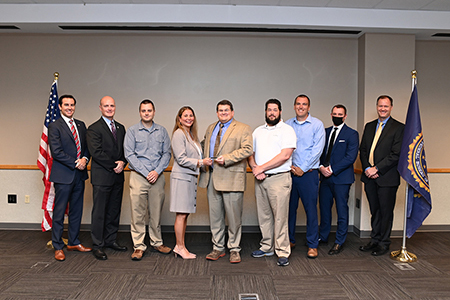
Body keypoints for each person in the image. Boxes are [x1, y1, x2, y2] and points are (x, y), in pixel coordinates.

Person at [199, 100, 253, 264]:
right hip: (212, 178)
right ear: (217, 112)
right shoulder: (211, 128)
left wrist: (227, 158)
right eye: (220, 111)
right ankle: (218, 248)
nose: (223, 113)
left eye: (226, 110)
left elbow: (247, 149)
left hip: (231, 177)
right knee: (215, 217)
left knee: (234, 217)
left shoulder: (243, 128)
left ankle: (235, 249)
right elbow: (204, 145)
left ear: (232, 112)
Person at [248, 99, 296, 267]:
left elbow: (285, 155)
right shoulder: (258, 131)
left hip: (279, 179)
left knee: (280, 218)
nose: (272, 113)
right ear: (265, 111)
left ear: (280, 112)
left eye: (275, 110)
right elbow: (250, 153)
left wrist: (261, 168)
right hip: (260, 179)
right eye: (269, 110)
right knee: (264, 216)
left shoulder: (287, 130)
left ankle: (282, 251)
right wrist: (255, 168)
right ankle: (267, 246)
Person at [124, 99, 172, 261]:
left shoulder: (162, 131)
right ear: (140, 112)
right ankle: (138, 246)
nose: (146, 113)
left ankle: (157, 242)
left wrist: (156, 172)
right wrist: (146, 173)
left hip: (157, 177)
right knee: (137, 213)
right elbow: (129, 154)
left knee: (156, 212)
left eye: (149, 110)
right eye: (143, 110)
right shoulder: (132, 131)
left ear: (154, 112)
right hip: (138, 177)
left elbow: (167, 154)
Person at [359, 95, 404, 256]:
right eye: (380, 106)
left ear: (391, 107)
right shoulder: (369, 126)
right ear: (377, 107)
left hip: (387, 178)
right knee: (375, 210)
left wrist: (376, 169)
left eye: (386, 106)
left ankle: (384, 243)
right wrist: (366, 168)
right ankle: (374, 240)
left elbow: (396, 154)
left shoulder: (399, 128)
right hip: (369, 176)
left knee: (385, 212)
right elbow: (363, 150)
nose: (382, 109)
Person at [48, 94, 92, 261]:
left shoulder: (80, 125)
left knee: (76, 211)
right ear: (60, 106)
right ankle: (58, 246)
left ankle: (73, 241)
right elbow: (56, 152)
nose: (69, 107)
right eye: (66, 105)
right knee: (59, 212)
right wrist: (76, 163)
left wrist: (85, 160)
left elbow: (86, 148)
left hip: (79, 175)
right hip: (63, 175)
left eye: (72, 105)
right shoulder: (55, 126)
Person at [86, 96, 128, 260]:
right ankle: (98, 245)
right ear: (100, 108)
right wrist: (114, 165)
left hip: (118, 176)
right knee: (100, 212)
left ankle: (111, 240)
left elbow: (125, 150)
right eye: (106, 106)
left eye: (112, 106)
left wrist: (123, 162)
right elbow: (96, 152)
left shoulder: (120, 127)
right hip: (102, 177)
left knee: (113, 211)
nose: (109, 108)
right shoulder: (94, 128)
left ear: (115, 107)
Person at [285, 94, 325, 259]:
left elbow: (317, 150)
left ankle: (312, 245)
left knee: (311, 211)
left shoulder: (317, 125)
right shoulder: (286, 125)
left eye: (304, 104)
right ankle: (290, 240)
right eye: (298, 104)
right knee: (289, 210)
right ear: (294, 106)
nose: (301, 107)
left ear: (309, 107)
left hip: (308, 175)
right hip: (289, 173)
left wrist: (303, 168)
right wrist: (291, 168)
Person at [170, 106, 213, 259]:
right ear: (179, 118)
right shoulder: (179, 134)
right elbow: (180, 158)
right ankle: (180, 247)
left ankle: (180, 246)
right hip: (182, 178)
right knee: (181, 214)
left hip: (189, 178)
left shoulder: (191, 135)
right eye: (185, 115)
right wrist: (201, 162)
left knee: (184, 214)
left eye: (191, 115)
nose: (189, 118)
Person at [318, 104, 359, 255]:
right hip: (324, 178)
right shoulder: (325, 132)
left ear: (345, 116)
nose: (337, 116)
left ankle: (339, 241)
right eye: (334, 113)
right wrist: (321, 167)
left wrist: (332, 169)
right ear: (331, 114)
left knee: (341, 210)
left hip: (341, 179)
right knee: (324, 209)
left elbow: (350, 157)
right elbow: (319, 152)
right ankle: (323, 237)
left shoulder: (351, 134)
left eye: (340, 114)